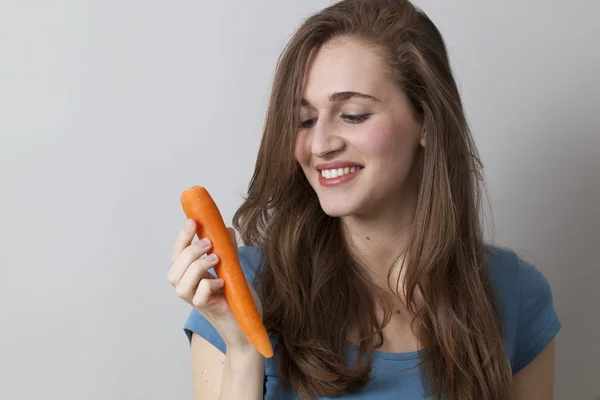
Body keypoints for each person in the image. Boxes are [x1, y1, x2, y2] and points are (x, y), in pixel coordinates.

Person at [167, 0, 562, 398]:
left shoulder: (515, 293)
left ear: (426, 120)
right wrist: (241, 349)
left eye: (353, 114)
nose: (320, 145)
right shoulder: (242, 291)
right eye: (304, 120)